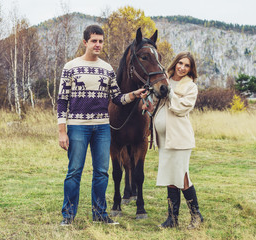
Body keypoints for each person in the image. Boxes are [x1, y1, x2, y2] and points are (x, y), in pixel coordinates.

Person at [57, 25, 145, 226]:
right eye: (94, 41)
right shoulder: (70, 67)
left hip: (102, 128)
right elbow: (62, 100)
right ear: (85, 42)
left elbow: (116, 97)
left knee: (102, 172)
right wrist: (62, 131)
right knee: (74, 171)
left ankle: (99, 214)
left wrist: (134, 94)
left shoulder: (106, 68)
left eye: (101, 41)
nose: (98, 45)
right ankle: (68, 216)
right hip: (78, 127)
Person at [142, 52, 203, 229]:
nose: (182, 68)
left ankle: (196, 216)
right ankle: (172, 219)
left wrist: (170, 93)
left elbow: (181, 108)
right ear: (175, 63)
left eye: (187, 66)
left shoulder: (190, 87)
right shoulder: (163, 79)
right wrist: (148, 101)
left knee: (182, 177)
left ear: (191, 69)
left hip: (180, 138)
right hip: (164, 138)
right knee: (170, 177)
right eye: (180, 63)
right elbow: (155, 103)